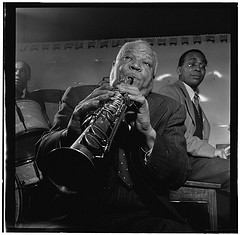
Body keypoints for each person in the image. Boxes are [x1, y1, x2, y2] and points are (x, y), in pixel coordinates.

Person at [35, 40, 193, 232]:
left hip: (145, 215)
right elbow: (42, 156)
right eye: (128, 58)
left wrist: (148, 133)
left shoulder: (169, 108)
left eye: (146, 63)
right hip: (80, 213)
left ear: (153, 77)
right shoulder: (78, 96)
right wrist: (71, 129)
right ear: (114, 66)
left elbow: (178, 175)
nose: (135, 65)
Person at [158, 49, 231, 231]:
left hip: (194, 162)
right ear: (179, 70)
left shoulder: (195, 100)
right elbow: (176, 134)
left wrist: (220, 152)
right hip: (179, 165)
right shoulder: (169, 91)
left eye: (202, 65)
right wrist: (214, 152)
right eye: (192, 64)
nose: (198, 68)